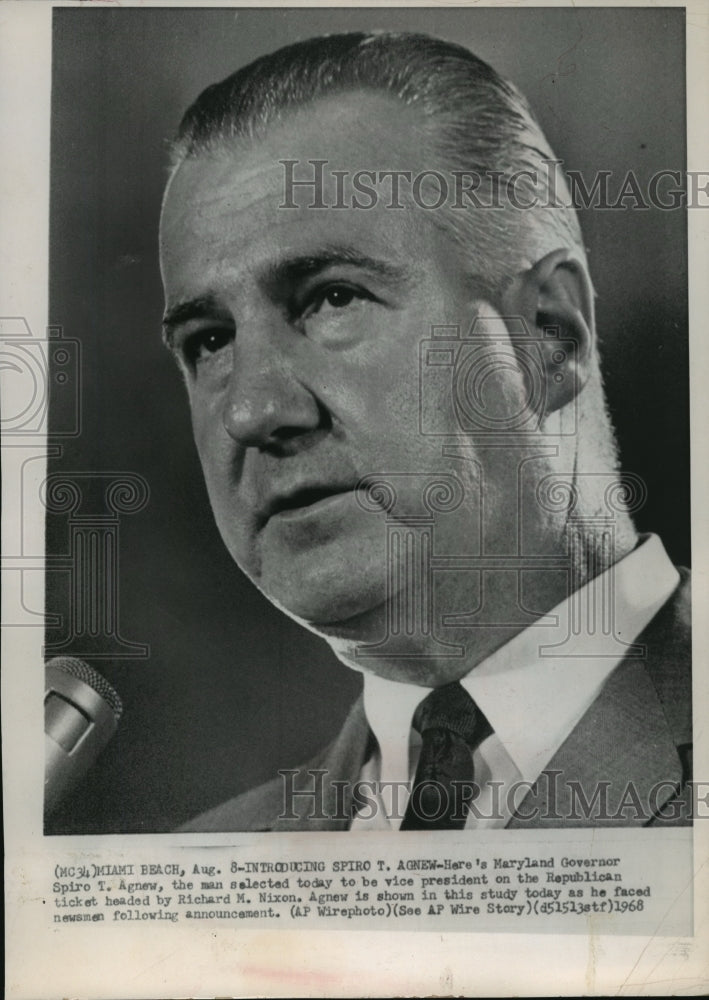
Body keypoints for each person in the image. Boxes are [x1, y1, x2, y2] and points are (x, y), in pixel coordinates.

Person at [158, 32, 691, 831]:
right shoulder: (199, 875)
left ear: (550, 334)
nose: (253, 411)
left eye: (332, 299)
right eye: (209, 340)